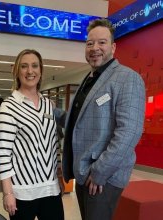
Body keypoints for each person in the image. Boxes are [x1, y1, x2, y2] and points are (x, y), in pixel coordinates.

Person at [54, 18, 145, 220]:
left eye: (101, 42)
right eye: (89, 43)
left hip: (103, 177)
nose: (95, 48)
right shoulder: (89, 79)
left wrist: (99, 172)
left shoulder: (127, 78)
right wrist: (49, 111)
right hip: (84, 172)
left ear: (113, 47)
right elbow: (78, 123)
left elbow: (129, 132)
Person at [0, 49, 64, 220]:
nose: (30, 71)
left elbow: (53, 143)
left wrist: (59, 174)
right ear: (17, 71)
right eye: (24, 66)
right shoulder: (8, 107)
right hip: (22, 192)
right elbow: (3, 154)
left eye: (34, 66)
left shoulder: (48, 104)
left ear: (41, 70)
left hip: (50, 188)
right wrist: (7, 192)